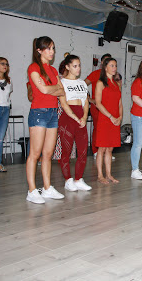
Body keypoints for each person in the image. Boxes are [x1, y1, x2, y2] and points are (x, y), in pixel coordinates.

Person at [26, 36, 65, 204]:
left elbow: (61, 91)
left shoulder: (54, 70)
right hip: (39, 112)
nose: (52, 52)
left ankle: (47, 188)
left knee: (48, 154)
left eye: (53, 48)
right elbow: (41, 89)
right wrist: (52, 88)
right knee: (35, 153)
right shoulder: (34, 67)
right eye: (48, 48)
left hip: (52, 113)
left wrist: (51, 89)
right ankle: (32, 190)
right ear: (39, 50)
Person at [57, 54, 91, 192]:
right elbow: (64, 104)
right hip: (68, 119)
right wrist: (76, 118)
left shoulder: (82, 83)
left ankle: (78, 179)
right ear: (67, 67)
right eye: (75, 66)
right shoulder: (62, 83)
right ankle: (68, 180)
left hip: (81, 119)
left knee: (82, 151)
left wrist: (84, 117)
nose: (78, 69)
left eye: (79, 65)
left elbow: (86, 102)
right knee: (66, 151)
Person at [94, 58, 122, 184]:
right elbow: (98, 103)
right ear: (105, 67)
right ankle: (100, 175)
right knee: (102, 148)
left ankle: (109, 174)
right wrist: (110, 116)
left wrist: (120, 117)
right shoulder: (100, 83)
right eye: (111, 65)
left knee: (110, 149)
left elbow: (120, 103)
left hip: (115, 119)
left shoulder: (117, 84)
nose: (114, 68)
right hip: (105, 119)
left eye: (115, 65)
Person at [85, 53, 112, 160]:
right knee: (98, 128)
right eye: (106, 61)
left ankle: (107, 151)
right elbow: (82, 86)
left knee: (108, 129)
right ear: (102, 63)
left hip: (109, 107)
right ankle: (96, 151)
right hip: (97, 107)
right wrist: (90, 99)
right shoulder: (95, 74)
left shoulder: (112, 76)